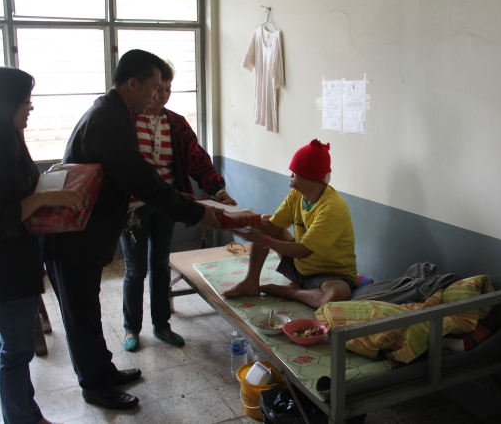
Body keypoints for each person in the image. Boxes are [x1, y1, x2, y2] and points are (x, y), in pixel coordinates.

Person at [45, 49, 223, 411]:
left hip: (87, 236)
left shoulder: (112, 112)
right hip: (74, 238)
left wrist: (203, 197)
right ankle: (96, 387)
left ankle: (104, 371)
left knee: (89, 311)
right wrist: (195, 212)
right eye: (154, 87)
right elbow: (142, 180)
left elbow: (167, 171)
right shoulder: (110, 119)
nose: (157, 95)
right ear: (132, 83)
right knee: (82, 316)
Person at [0, 66, 82, 424]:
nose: (30, 108)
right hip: (1, 273)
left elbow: (23, 188)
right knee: (15, 351)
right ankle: (20, 418)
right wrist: (42, 199)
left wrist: (51, 187)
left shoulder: (8, 142)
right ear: (3, 104)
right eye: (25, 101)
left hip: (20, 266)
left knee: (20, 347)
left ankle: (28, 414)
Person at [120, 61, 236, 352]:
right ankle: (131, 328)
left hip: (168, 205)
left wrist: (218, 190)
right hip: (132, 208)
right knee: (135, 269)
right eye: (158, 89)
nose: (162, 96)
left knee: (160, 265)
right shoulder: (126, 121)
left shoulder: (176, 123)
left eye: (168, 90)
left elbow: (198, 160)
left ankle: (162, 325)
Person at [223, 139, 357, 309]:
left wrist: (265, 241)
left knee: (337, 295)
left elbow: (304, 250)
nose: (291, 173)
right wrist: (242, 219)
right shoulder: (296, 195)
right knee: (265, 220)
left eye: (296, 171)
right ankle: (251, 282)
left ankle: (292, 292)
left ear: (311, 177)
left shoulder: (332, 208)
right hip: (299, 268)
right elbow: (271, 227)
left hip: (328, 275)